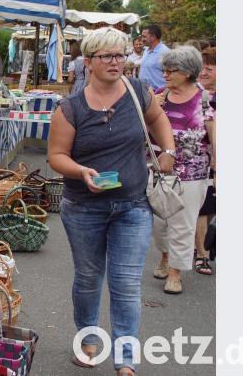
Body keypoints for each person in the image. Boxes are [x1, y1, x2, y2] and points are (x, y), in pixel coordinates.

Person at [48, 27, 176, 376]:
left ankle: (125, 360)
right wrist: (81, 172)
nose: (115, 61)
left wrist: (168, 150)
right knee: (89, 278)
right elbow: (56, 156)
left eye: (120, 54)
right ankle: (88, 341)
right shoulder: (70, 108)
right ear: (88, 61)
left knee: (126, 283)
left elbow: (158, 120)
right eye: (106, 56)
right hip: (84, 207)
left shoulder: (137, 92)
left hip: (133, 205)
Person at [151, 46, 216, 290]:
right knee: (160, 223)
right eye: (164, 69)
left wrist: (216, 171)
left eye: (171, 70)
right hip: (158, 169)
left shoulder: (204, 99)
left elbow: (215, 137)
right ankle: (165, 257)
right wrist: (152, 108)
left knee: (183, 223)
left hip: (192, 172)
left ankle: (175, 273)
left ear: (188, 72)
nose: (165, 74)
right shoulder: (159, 95)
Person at [195, 46, 216, 273]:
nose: (203, 73)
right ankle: (202, 253)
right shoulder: (199, 95)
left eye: (209, 69)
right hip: (203, 158)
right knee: (203, 206)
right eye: (202, 69)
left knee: (210, 206)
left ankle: (201, 244)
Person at [139, 24, 170, 90]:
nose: (142, 39)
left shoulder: (165, 52)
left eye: (144, 37)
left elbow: (170, 75)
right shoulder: (146, 50)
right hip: (145, 92)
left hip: (158, 93)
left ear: (153, 37)